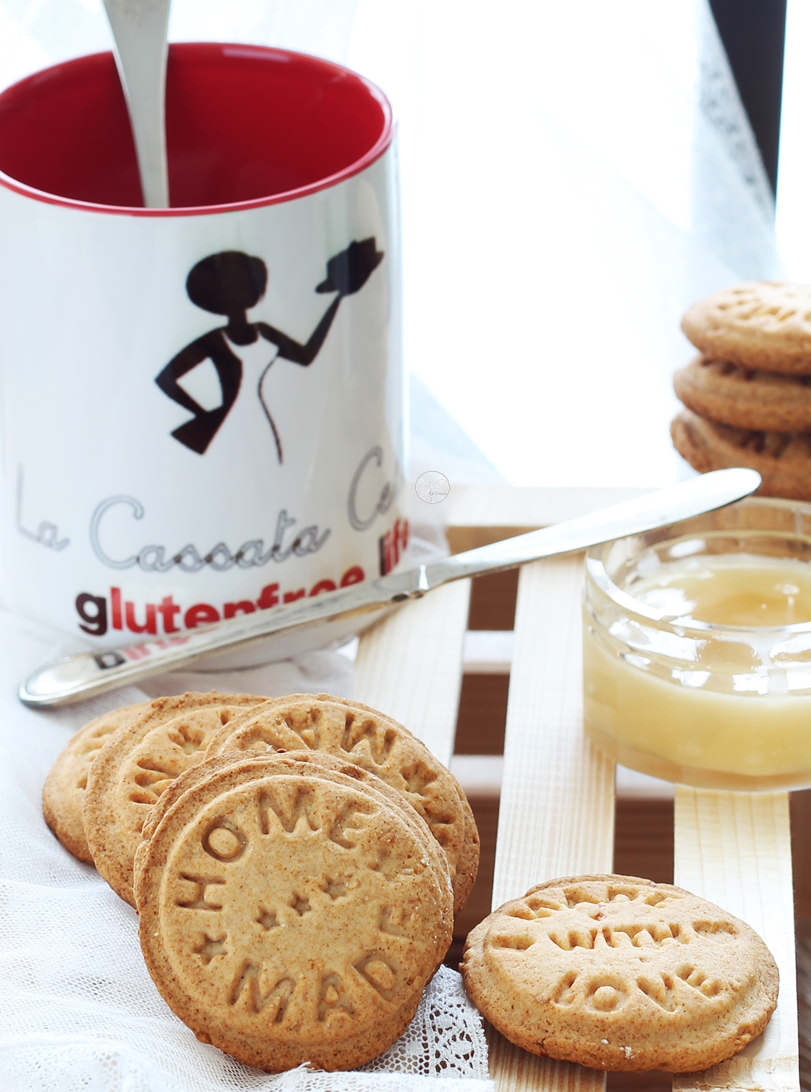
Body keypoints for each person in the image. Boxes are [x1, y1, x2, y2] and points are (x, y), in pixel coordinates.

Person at [155, 239, 383, 460]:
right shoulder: (214, 340)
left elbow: (306, 356)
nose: (245, 289)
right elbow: (166, 379)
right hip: (233, 424)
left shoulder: (263, 332)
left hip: (259, 415)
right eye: (235, 284)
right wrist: (202, 414)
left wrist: (338, 300)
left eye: (245, 281)